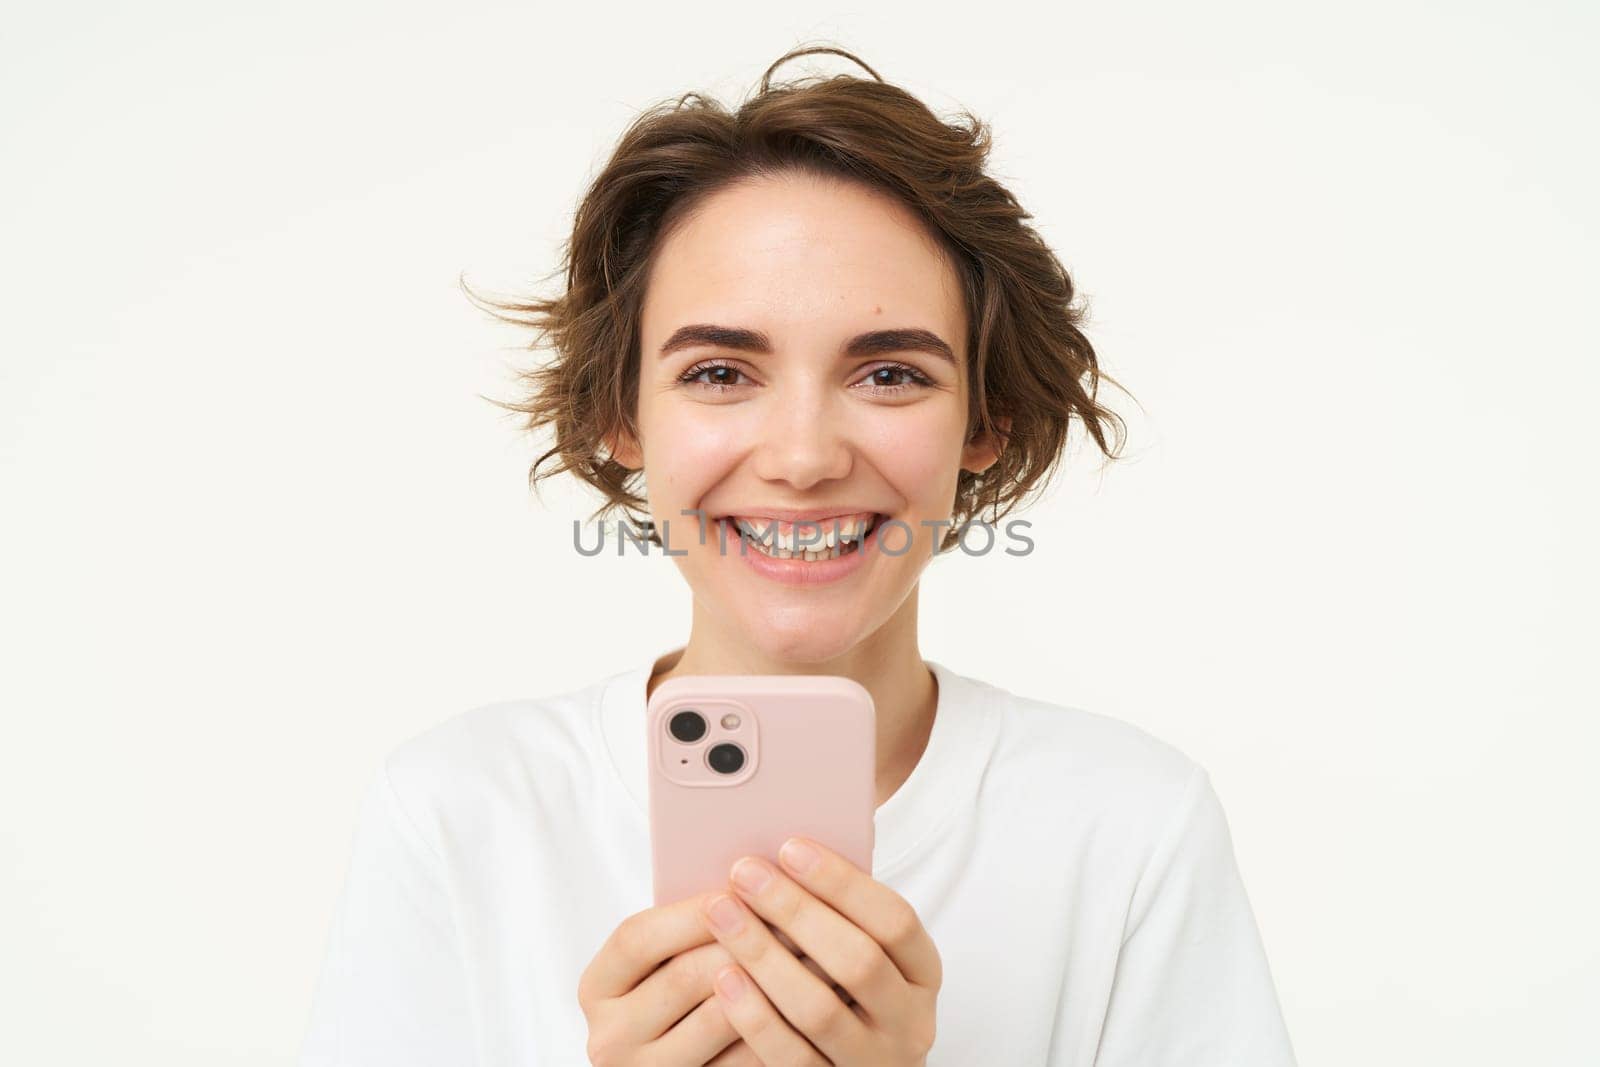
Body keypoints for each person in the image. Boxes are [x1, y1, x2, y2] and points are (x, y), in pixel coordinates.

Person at [299, 44, 1297, 1066]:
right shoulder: (463, 813)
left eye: (892, 374)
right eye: (722, 370)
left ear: (984, 420)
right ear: (621, 412)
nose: (805, 457)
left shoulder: (1127, 825)